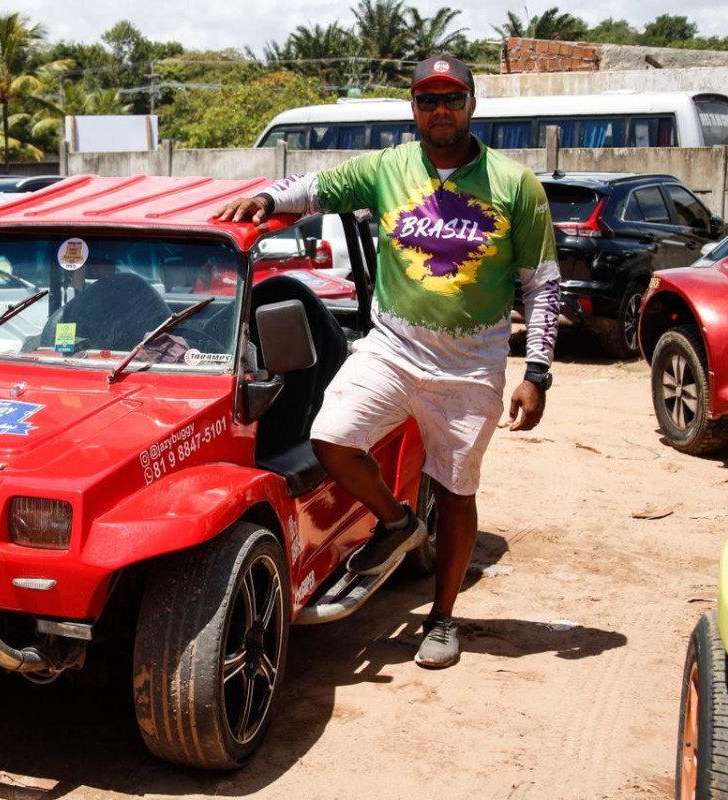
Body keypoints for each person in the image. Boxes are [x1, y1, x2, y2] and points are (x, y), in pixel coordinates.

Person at [215, 54, 560, 669]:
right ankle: (397, 523)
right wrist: (266, 197)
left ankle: (442, 619)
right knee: (331, 436)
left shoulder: (515, 185)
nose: (440, 110)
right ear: (413, 108)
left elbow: (542, 284)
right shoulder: (387, 168)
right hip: (393, 348)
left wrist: (537, 373)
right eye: (428, 99)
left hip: (471, 365)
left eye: (451, 98)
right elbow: (316, 188)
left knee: (454, 492)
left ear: (472, 104)